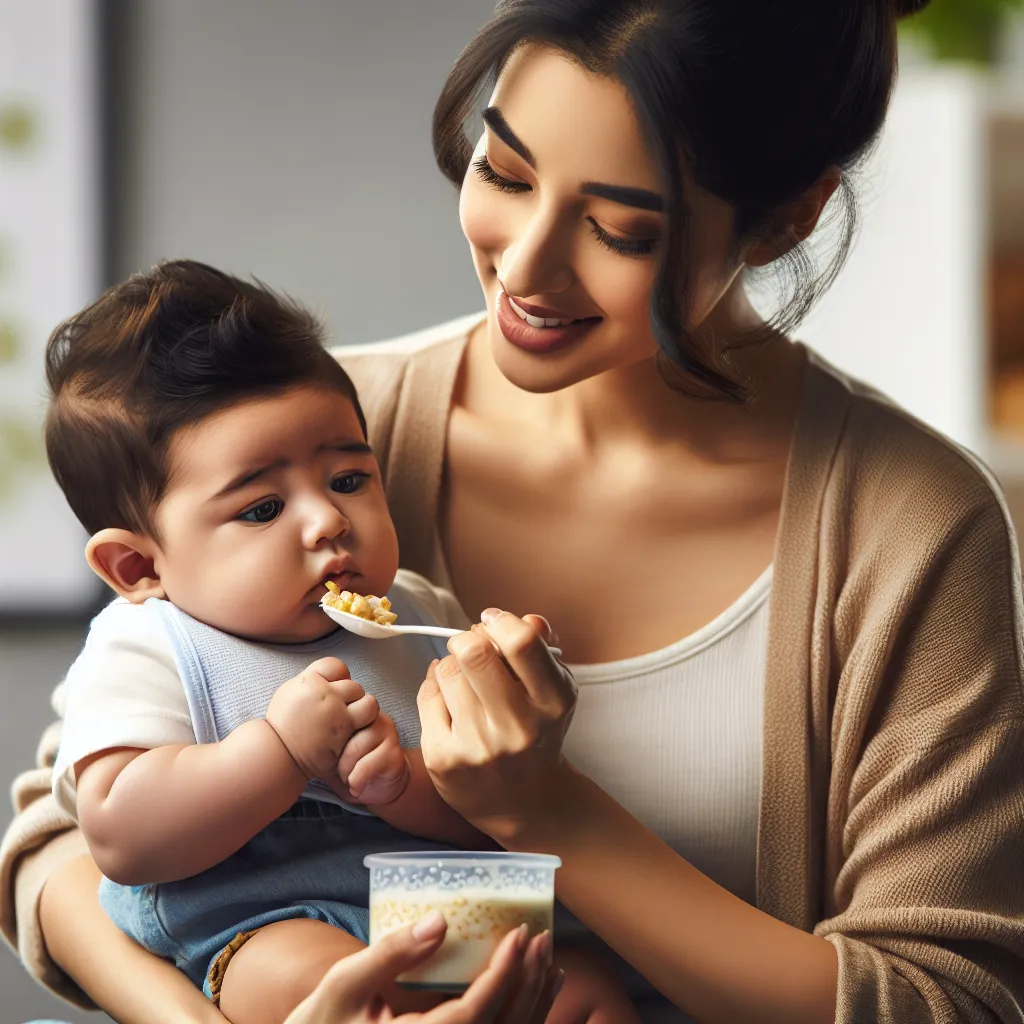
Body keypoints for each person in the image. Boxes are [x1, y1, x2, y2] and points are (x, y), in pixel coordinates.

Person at [4, 0, 1024, 1021]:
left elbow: (947, 998)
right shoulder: (310, 442)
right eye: (503, 171)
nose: (524, 269)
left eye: (619, 228)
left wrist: (545, 808)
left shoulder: (906, 529)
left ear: (787, 215)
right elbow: (60, 843)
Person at [33, 259, 634, 1024]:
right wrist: (280, 754)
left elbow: (496, 815)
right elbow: (120, 836)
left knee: (579, 987)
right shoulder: (146, 645)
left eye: (348, 480)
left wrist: (411, 784)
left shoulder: (418, 612)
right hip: (261, 918)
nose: (327, 522)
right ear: (138, 564)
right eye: (262, 509)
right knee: (302, 980)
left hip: (442, 903)